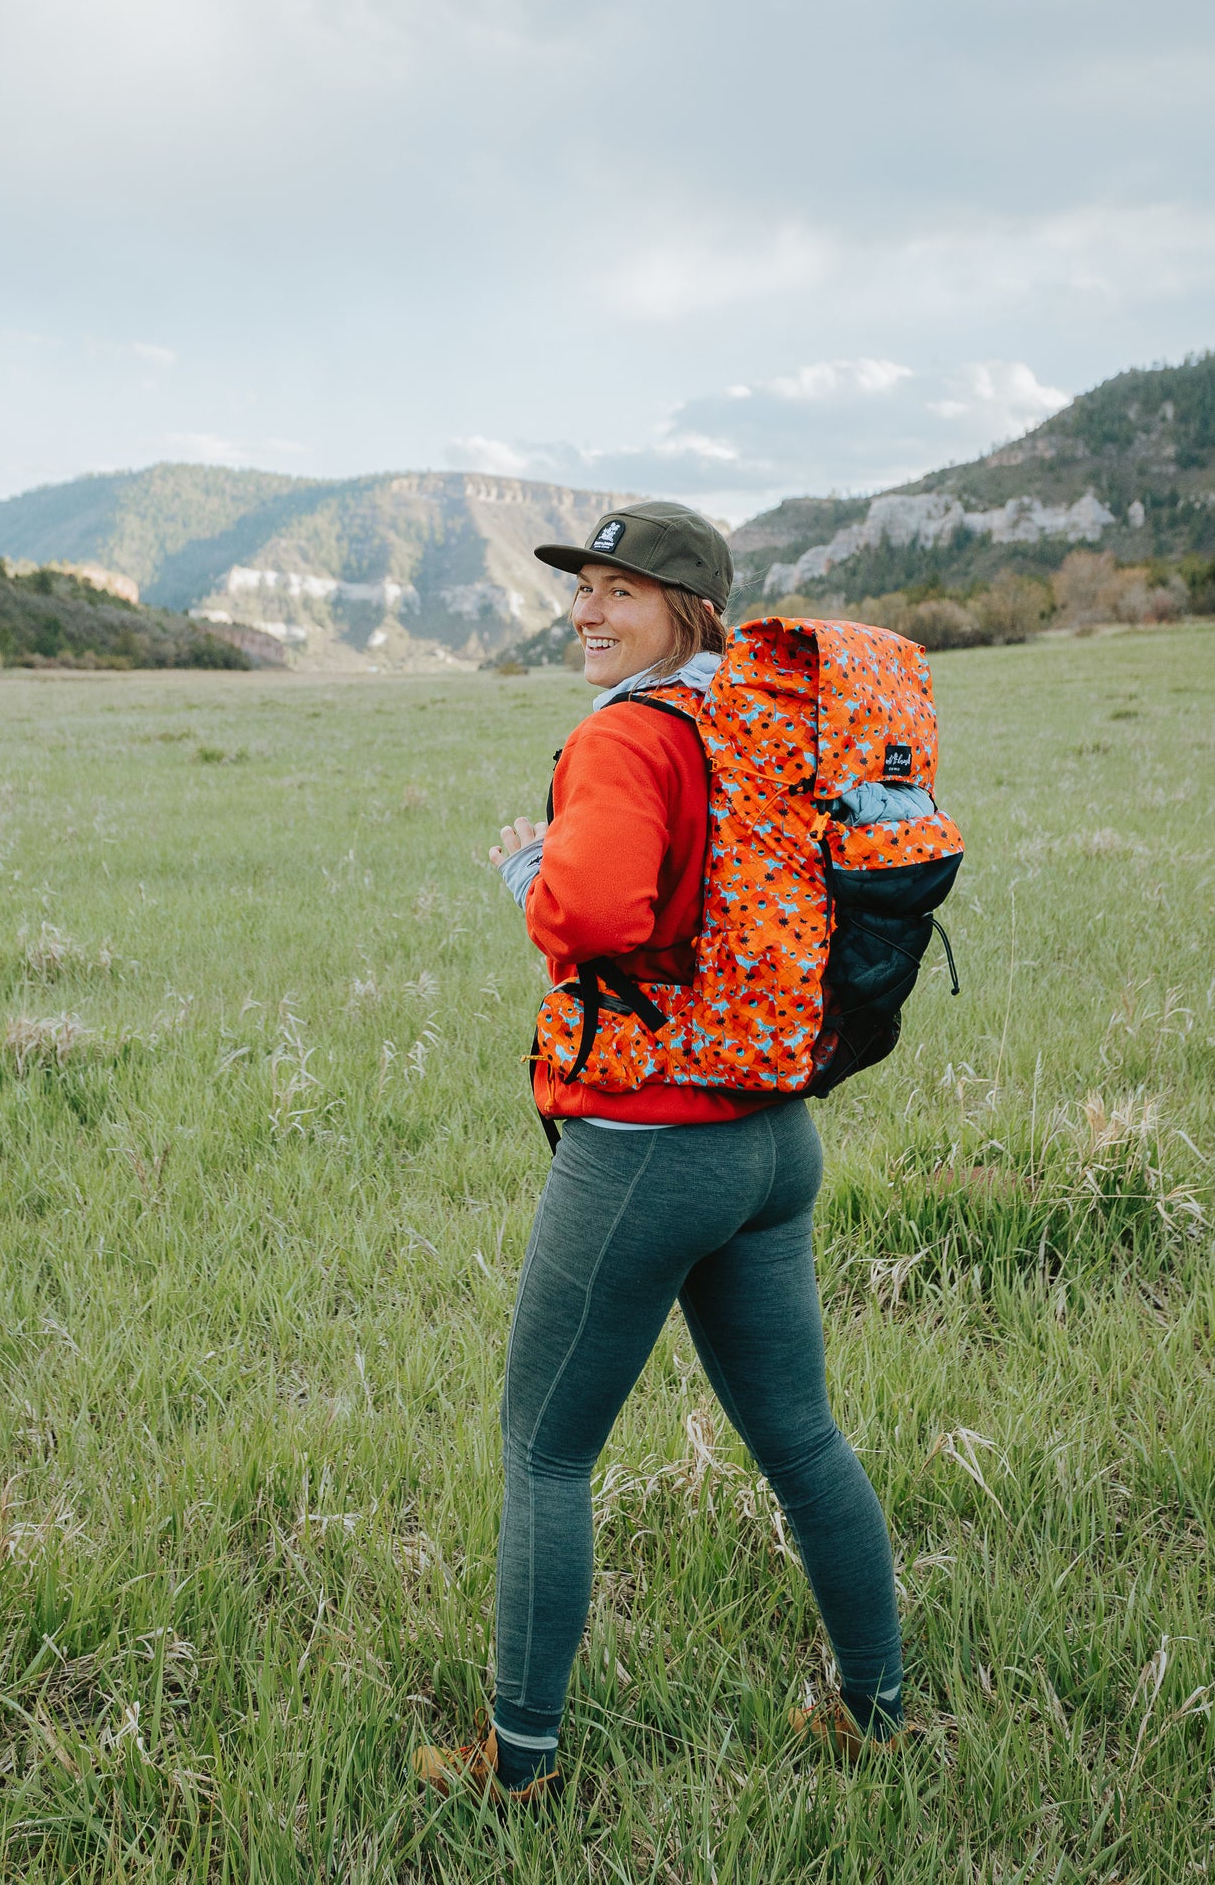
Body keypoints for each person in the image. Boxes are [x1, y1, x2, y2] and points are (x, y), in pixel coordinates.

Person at [413, 499, 904, 1807]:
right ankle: (880, 1712)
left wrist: (526, 871)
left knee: (543, 1454)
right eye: (581, 588)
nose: (584, 610)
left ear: (682, 608)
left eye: (617, 592)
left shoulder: (628, 736)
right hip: (770, 1137)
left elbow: (597, 909)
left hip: (645, 1147)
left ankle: (516, 1767)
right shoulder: (758, 725)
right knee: (801, 1438)